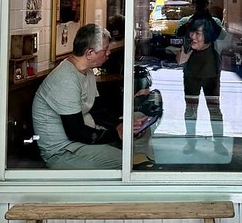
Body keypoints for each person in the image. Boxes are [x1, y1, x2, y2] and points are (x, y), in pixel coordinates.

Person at [32, 23, 152, 169]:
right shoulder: (66, 80)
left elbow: (98, 111)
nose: (108, 53)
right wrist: (117, 133)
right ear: (89, 53)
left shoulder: (87, 71)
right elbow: (76, 132)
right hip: (63, 151)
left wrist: (124, 124)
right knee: (125, 161)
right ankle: (140, 162)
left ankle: (141, 160)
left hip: (81, 140)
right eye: (105, 49)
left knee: (138, 118)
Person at [176, 0, 228, 154]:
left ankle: (209, 143)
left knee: (209, 108)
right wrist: (193, 21)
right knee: (196, 108)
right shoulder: (187, 21)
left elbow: (222, 36)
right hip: (195, 71)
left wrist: (208, 18)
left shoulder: (214, 22)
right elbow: (178, 33)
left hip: (209, 70)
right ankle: (202, 143)